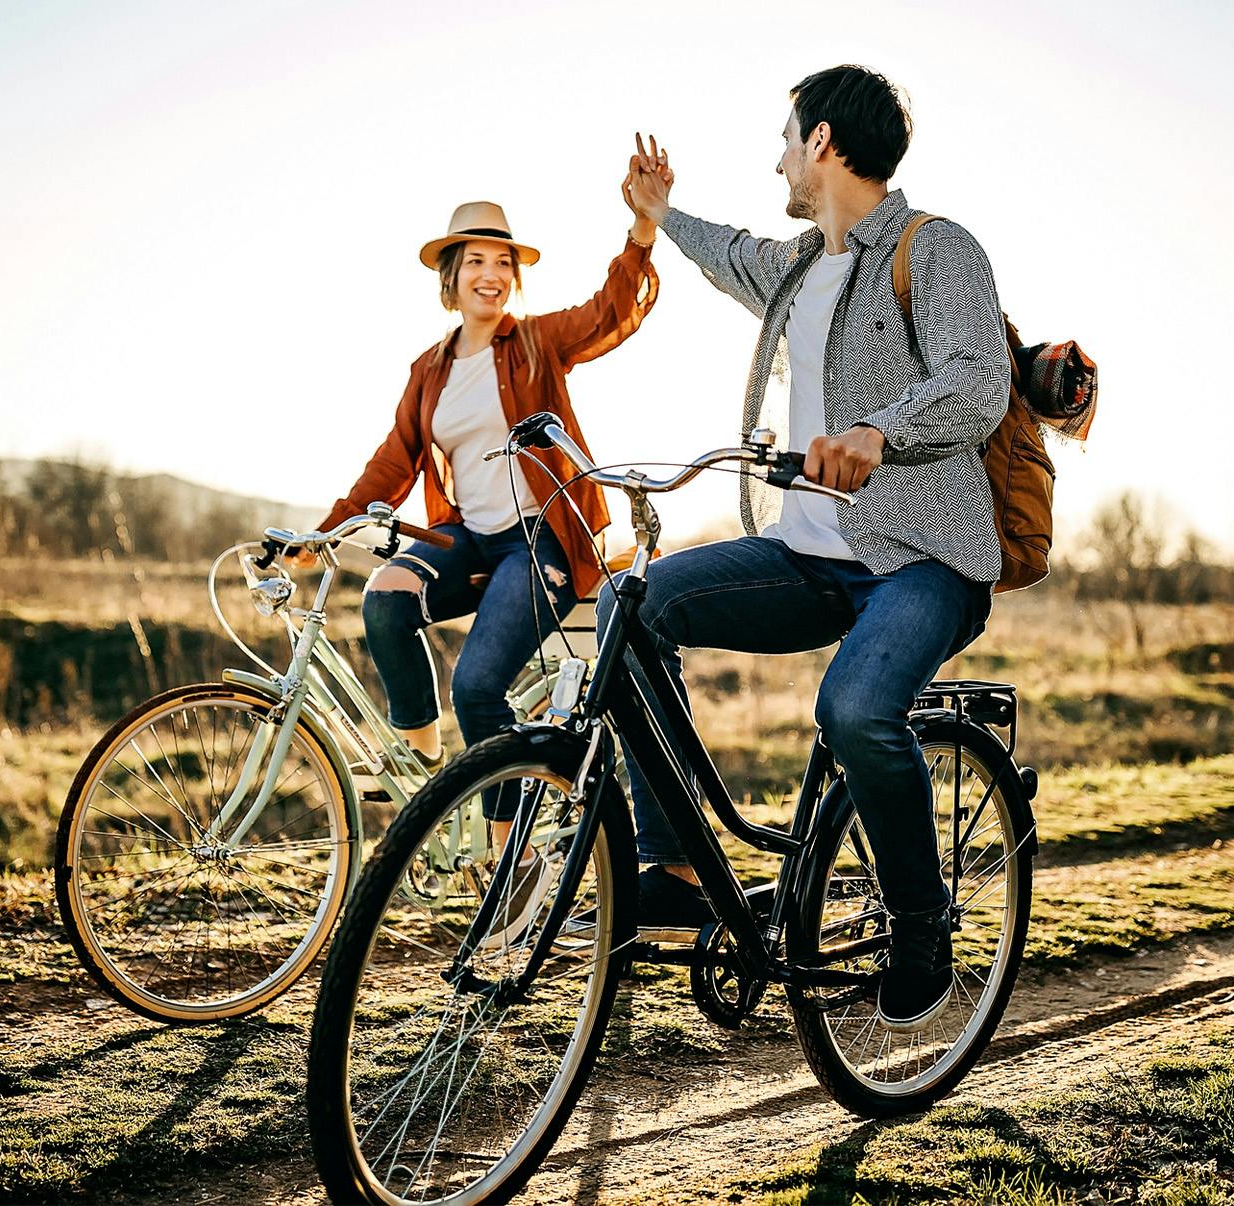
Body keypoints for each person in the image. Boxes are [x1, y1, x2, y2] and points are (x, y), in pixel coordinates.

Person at [610, 67, 1008, 1031]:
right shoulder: (794, 269)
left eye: (787, 141)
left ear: (823, 141)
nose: (779, 160)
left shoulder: (934, 247)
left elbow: (980, 374)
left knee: (859, 709)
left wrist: (880, 428)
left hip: (923, 560)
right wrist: (662, 214)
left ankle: (921, 922)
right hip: (809, 560)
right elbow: (727, 251)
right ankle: (666, 866)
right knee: (636, 609)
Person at [314, 182, 660, 855]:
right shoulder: (430, 369)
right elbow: (395, 460)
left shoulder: (535, 343)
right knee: (385, 597)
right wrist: (332, 526)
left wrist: (641, 234)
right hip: (468, 538)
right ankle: (420, 752)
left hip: (541, 543)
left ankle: (511, 853)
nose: (491, 275)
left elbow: (608, 310)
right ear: (452, 276)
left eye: (503, 264)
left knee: (476, 686)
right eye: (476, 262)